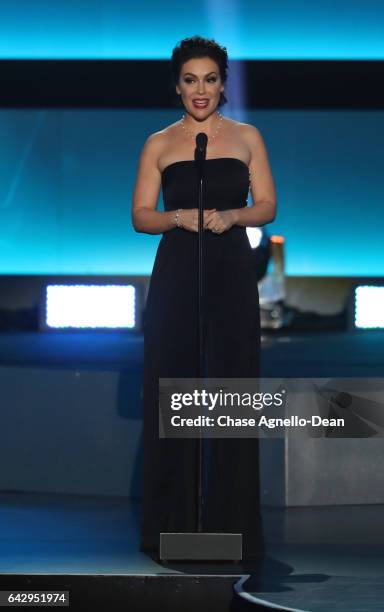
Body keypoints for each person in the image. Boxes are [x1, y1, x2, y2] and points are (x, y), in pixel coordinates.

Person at [131, 35, 277, 562]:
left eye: (210, 79)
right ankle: (170, 526)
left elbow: (267, 206)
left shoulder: (246, 137)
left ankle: (233, 527)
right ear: (177, 85)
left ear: (223, 84)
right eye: (191, 80)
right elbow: (140, 215)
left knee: (232, 392)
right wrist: (177, 217)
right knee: (174, 393)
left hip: (230, 268)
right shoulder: (160, 143)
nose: (201, 90)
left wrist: (233, 216)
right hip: (175, 271)